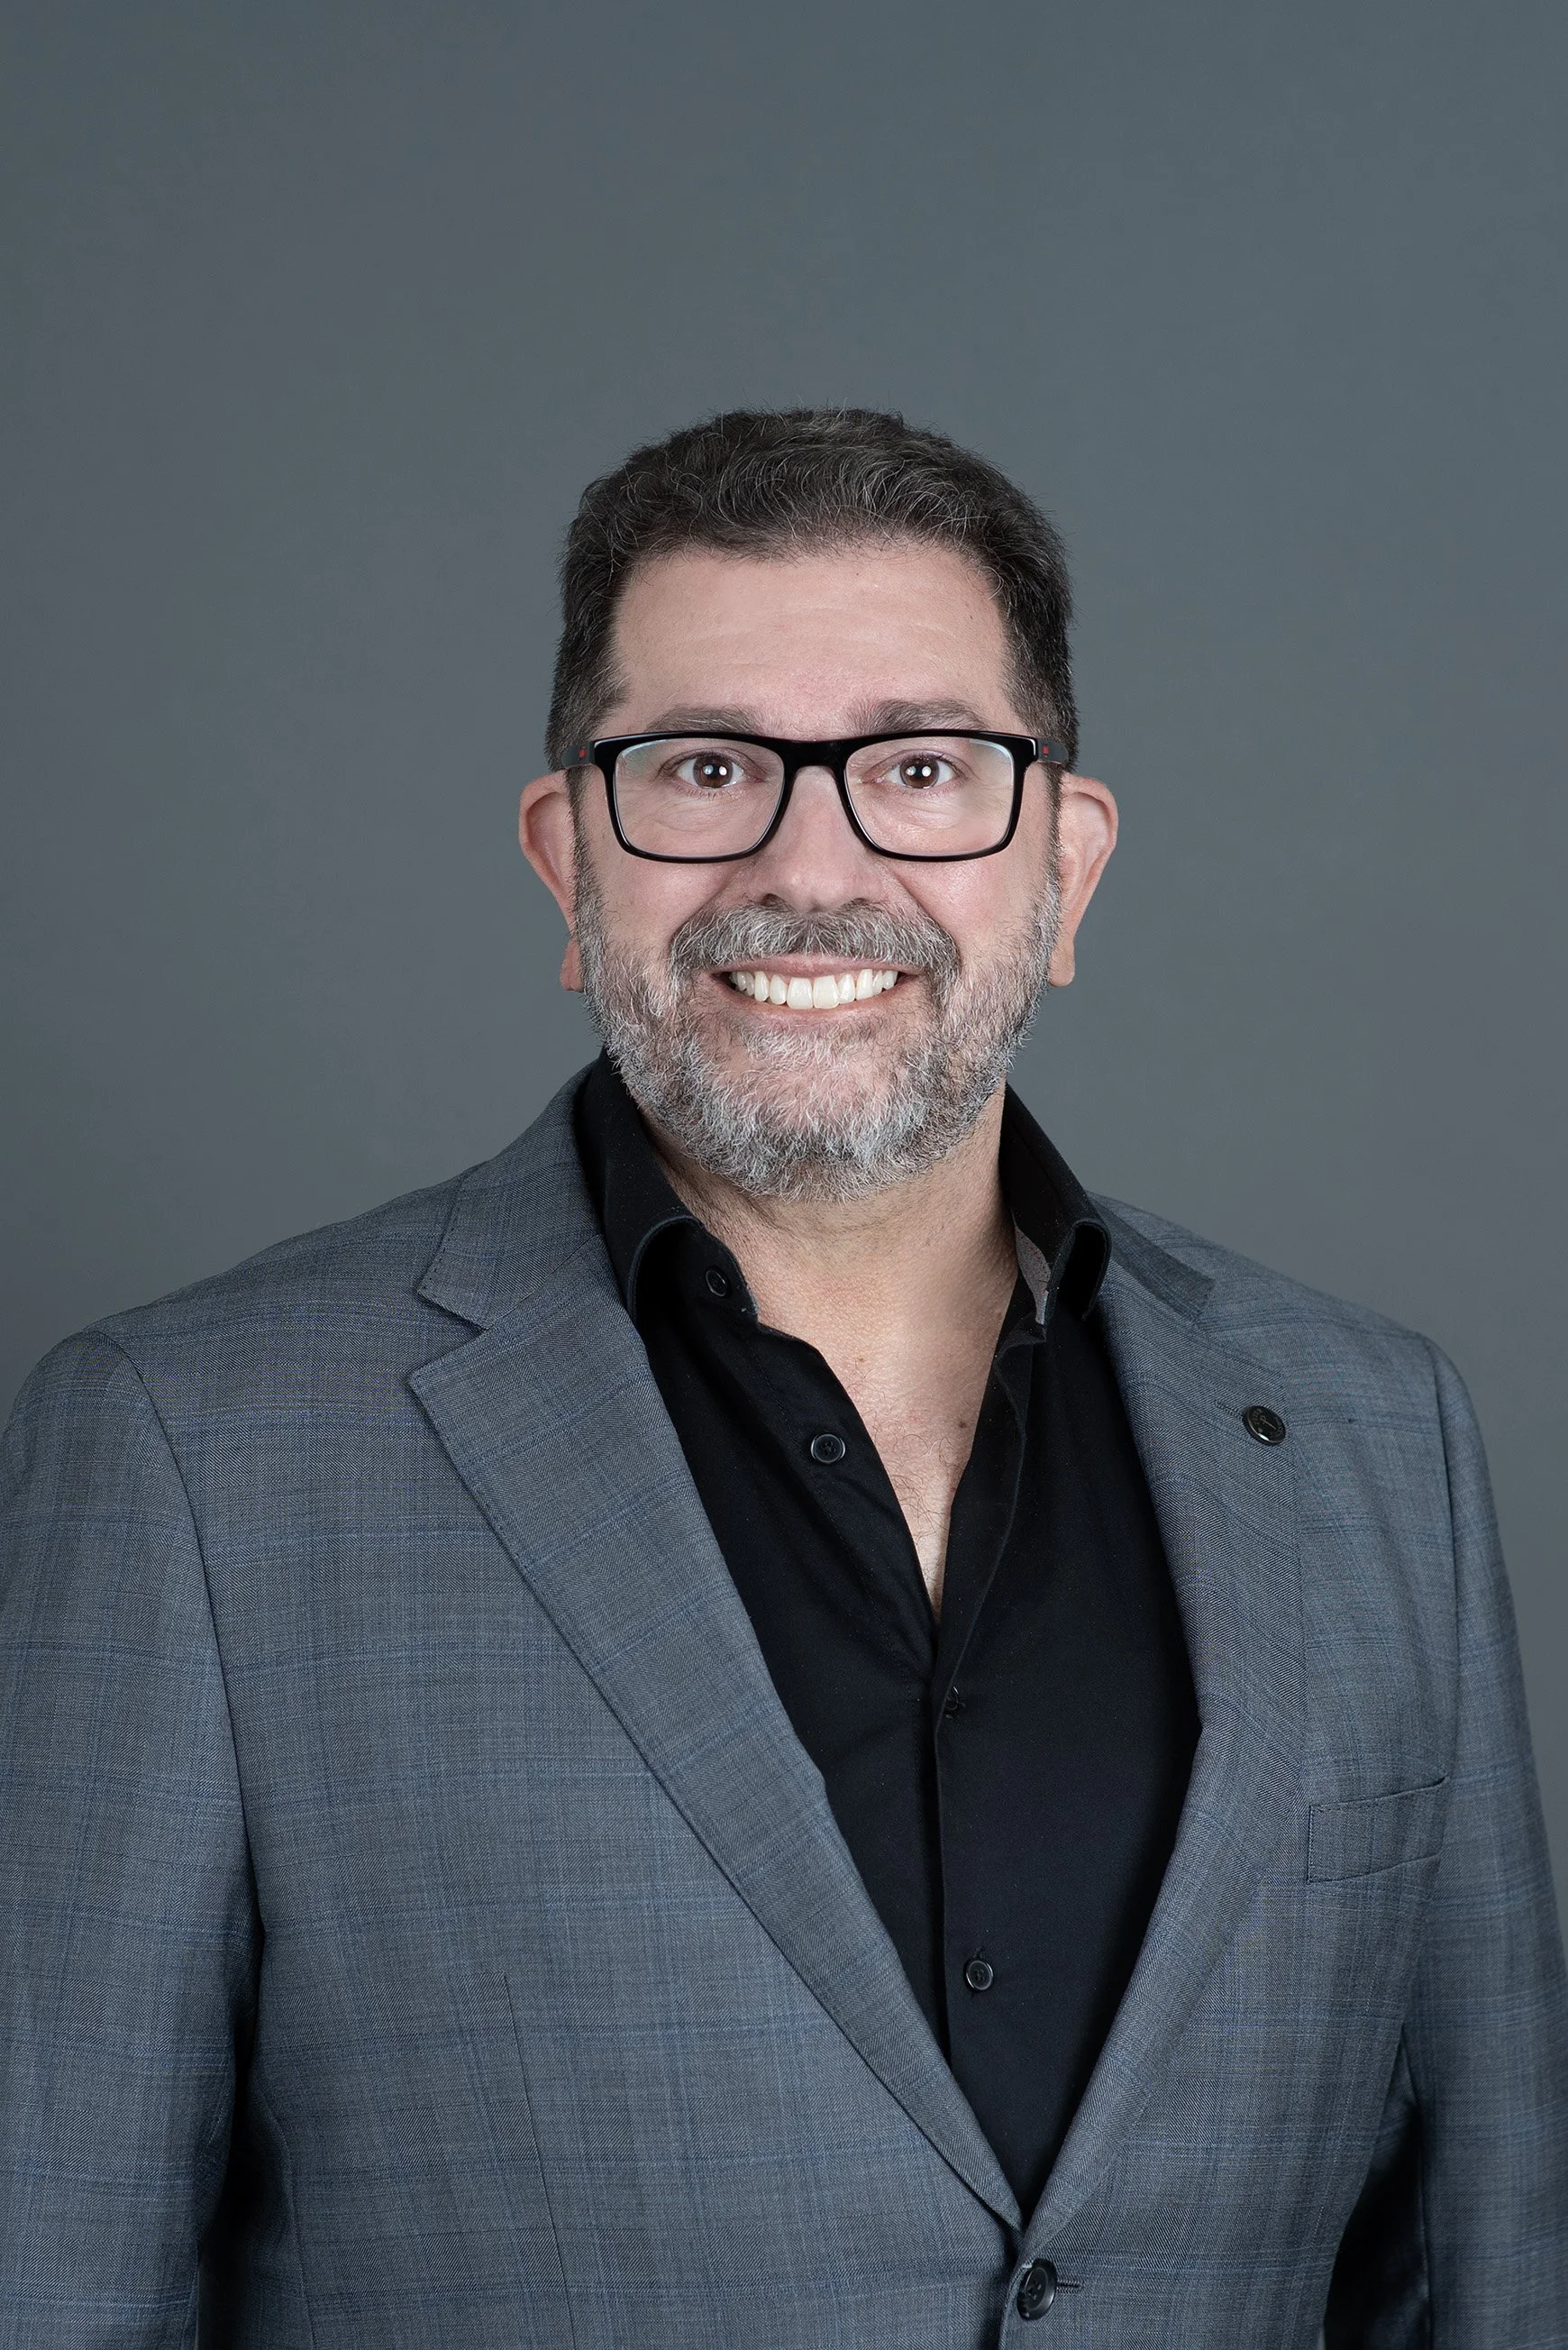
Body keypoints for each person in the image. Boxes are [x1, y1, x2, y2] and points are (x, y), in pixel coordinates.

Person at [2, 408, 1563, 2348]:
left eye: (922, 765)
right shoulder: (191, 1453)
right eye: (706, 764)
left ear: (1062, 868)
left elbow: (1495, 2267)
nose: (808, 864)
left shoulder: (1368, 1436)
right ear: (569, 855)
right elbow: (55, 2278)